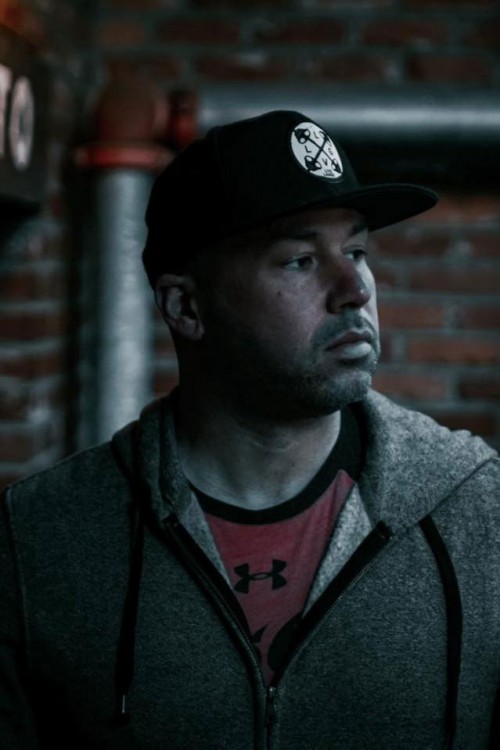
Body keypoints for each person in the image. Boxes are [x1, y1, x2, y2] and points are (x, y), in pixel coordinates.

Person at [1, 110, 498, 749]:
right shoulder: (40, 539)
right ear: (186, 307)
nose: (354, 289)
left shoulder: (478, 509)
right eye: (299, 260)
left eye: (356, 251)